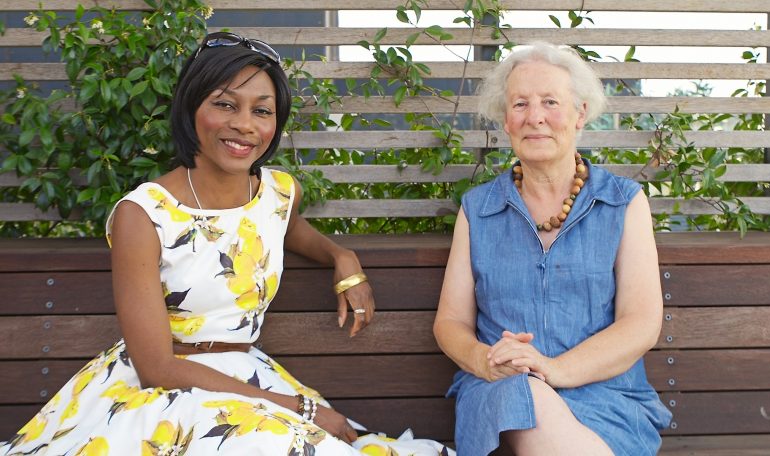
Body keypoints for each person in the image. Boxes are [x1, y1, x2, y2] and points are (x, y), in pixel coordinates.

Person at [1, 32, 452, 456]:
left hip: (248, 378)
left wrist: (342, 257)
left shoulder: (277, 192)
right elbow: (157, 366)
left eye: (262, 110)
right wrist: (302, 409)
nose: (244, 126)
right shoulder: (143, 215)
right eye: (224, 104)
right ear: (190, 107)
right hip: (164, 392)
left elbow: (286, 229)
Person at [433, 41, 672, 456]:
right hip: (502, 391)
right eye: (520, 104)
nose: (535, 117)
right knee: (525, 393)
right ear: (505, 120)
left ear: (581, 113)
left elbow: (641, 323)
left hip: (608, 397)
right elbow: (450, 322)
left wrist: (555, 369)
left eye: (550, 102)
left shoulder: (623, 202)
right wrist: (486, 360)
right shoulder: (478, 209)